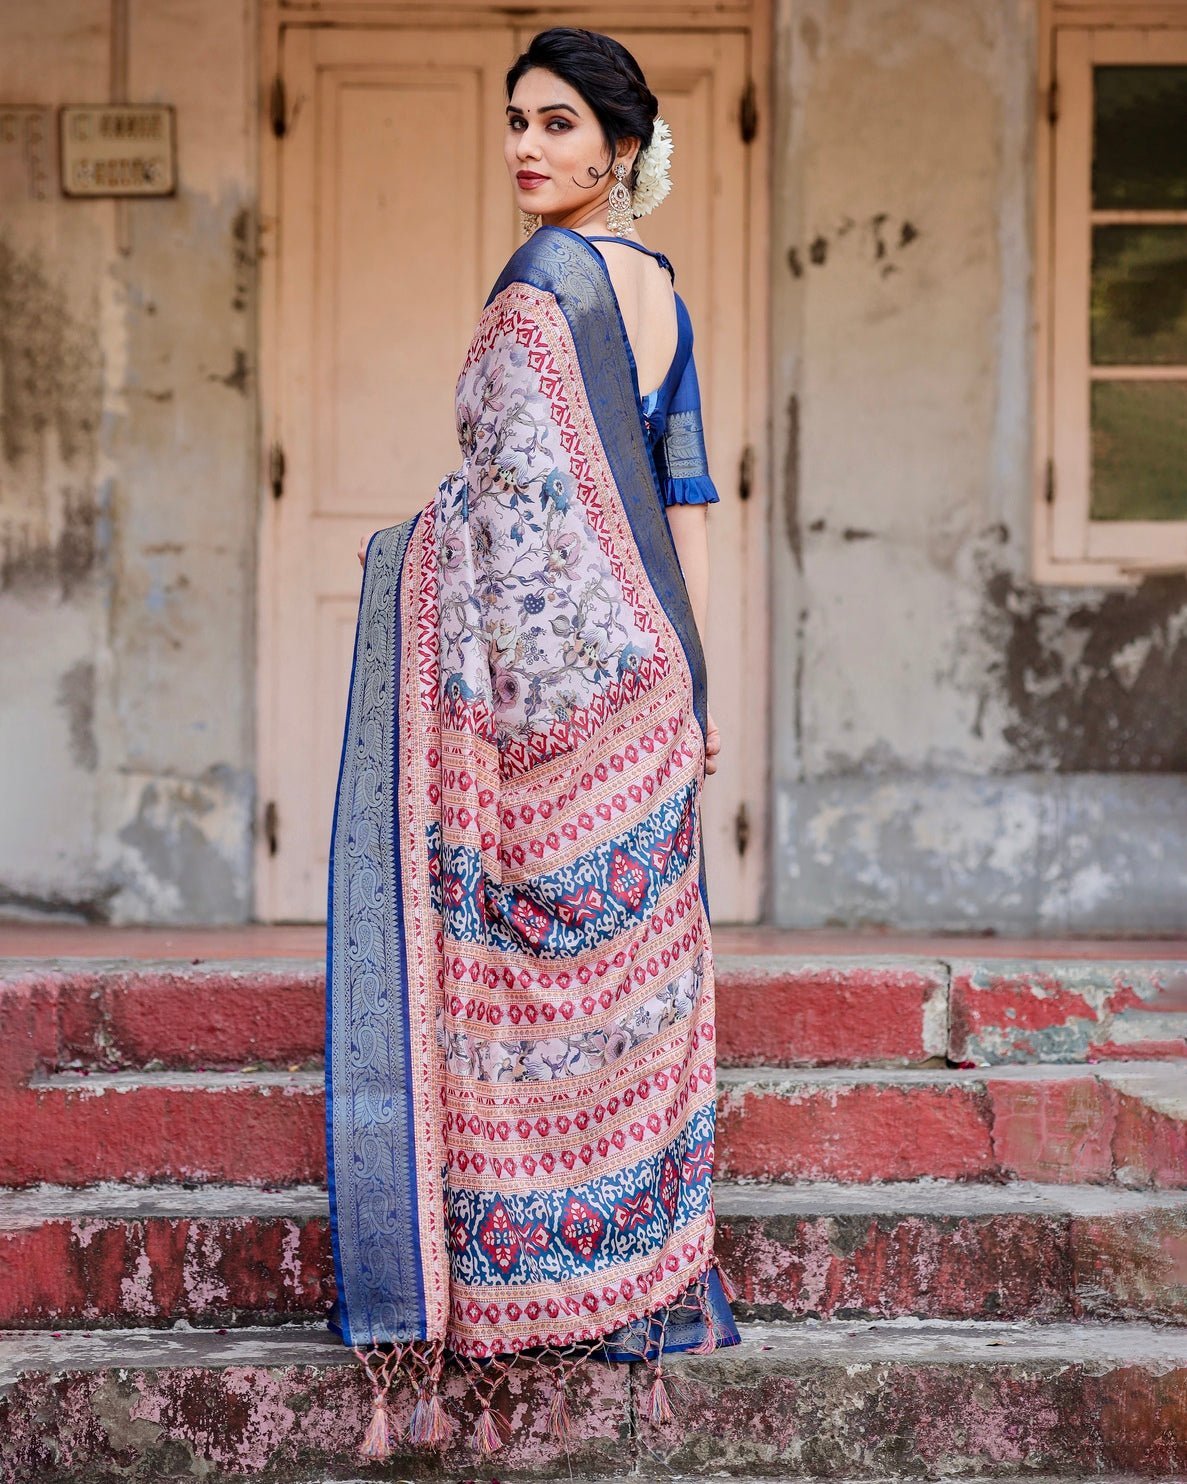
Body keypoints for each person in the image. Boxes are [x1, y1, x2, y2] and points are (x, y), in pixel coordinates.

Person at [326, 26, 739, 1464]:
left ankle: (515, 1288)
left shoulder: (538, 292)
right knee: (617, 987)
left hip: (540, 697)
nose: (527, 147)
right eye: (515, 121)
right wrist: (699, 690)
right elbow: (686, 505)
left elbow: (505, 508)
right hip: (644, 683)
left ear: (620, 149)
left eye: (559, 125)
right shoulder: (667, 298)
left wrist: (402, 558)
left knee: (519, 985)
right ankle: (632, 1288)